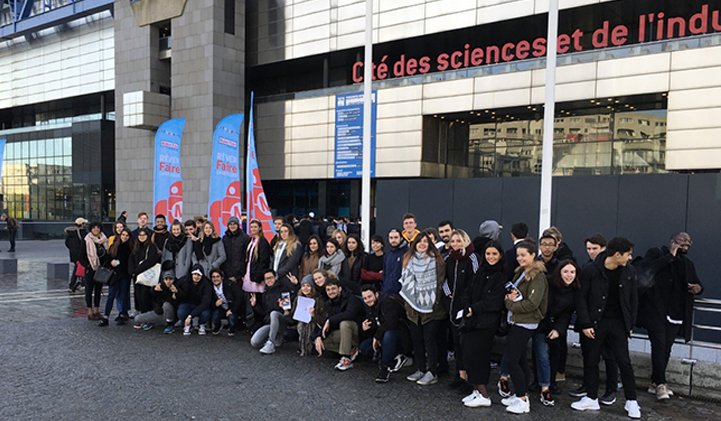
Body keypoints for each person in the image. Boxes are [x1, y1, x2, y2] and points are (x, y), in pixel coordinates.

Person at [572, 237, 641, 419]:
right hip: (595, 322)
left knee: (624, 361)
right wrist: (585, 323)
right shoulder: (591, 270)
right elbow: (581, 298)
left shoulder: (629, 271)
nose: (630, 258)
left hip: (618, 323)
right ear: (617, 255)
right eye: (628, 255)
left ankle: (632, 401)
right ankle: (591, 398)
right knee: (591, 360)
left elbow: (633, 299)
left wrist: (630, 324)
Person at [638, 232, 703, 400]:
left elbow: (698, 283)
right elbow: (646, 270)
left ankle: (655, 382)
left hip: (676, 313)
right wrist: (669, 256)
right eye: (682, 240)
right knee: (659, 346)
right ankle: (661, 384)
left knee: (666, 348)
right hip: (655, 311)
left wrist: (698, 288)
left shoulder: (688, 264)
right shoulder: (656, 253)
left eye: (689, 241)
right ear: (673, 241)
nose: (686, 243)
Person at [500, 242, 548, 415]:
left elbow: (532, 303)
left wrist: (509, 304)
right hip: (517, 320)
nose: (520, 258)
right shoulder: (521, 272)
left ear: (533, 255)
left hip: (525, 322)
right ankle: (522, 392)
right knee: (519, 359)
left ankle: (522, 399)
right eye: (518, 255)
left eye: (524, 255)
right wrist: (510, 301)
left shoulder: (537, 276)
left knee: (511, 359)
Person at [570, 233, 618, 401]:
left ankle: (611, 390)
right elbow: (581, 296)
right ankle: (589, 386)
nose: (591, 252)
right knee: (589, 356)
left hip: (608, 321)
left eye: (594, 249)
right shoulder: (588, 267)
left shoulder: (613, 269)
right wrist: (585, 321)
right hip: (589, 320)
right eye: (588, 249)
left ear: (604, 248)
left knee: (610, 356)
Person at [460, 240, 507, 408]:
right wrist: (466, 305)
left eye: (494, 254)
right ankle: (476, 390)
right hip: (472, 321)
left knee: (480, 357)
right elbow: (468, 291)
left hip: (486, 323)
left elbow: (494, 301)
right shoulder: (480, 271)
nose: (491, 257)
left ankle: (484, 394)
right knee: (469, 355)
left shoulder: (502, 276)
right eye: (488, 254)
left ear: (500, 255)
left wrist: (474, 308)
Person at [401, 232, 447, 386]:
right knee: (417, 340)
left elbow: (440, 284)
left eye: (425, 242)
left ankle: (432, 372)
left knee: (430, 340)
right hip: (413, 308)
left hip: (433, 308)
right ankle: (420, 368)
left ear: (430, 244)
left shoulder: (437, 260)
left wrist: (434, 302)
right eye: (419, 241)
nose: (422, 244)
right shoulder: (409, 259)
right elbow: (405, 282)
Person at [443, 229, 478, 392]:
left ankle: (470, 379)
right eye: (453, 241)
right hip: (453, 307)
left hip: (467, 307)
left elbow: (476, 281)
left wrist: (469, 302)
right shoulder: (449, 258)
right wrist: (448, 293)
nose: (455, 244)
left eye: (458, 241)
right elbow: (443, 279)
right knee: (456, 343)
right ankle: (460, 375)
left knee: (467, 345)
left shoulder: (472, 258)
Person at [359, 285, 409, 383]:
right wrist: (366, 328)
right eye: (365, 298)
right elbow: (376, 325)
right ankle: (393, 358)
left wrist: (377, 336)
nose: (367, 300)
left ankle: (385, 368)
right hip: (383, 337)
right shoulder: (372, 307)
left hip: (401, 336)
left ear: (376, 294)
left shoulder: (388, 302)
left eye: (369, 297)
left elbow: (391, 323)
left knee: (388, 334)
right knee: (364, 347)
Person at [543, 260, 579, 395]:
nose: (569, 275)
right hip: (542, 322)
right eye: (565, 272)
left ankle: (552, 382)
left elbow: (567, 314)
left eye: (572, 272)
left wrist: (558, 329)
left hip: (558, 325)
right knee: (539, 354)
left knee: (555, 354)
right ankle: (539, 381)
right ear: (559, 272)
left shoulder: (575, 290)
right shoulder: (549, 283)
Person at [313, 277, 365, 370]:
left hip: (357, 331)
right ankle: (352, 350)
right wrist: (319, 336)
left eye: (333, 289)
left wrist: (330, 320)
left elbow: (350, 314)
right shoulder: (330, 303)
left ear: (339, 289)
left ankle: (346, 358)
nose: (331, 292)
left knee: (344, 323)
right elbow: (327, 321)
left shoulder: (351, 298)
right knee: (321, 343)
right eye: (328, 290)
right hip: (343, 333)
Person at [250, 269, 294, 353]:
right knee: (254, 342)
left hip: (283, 320)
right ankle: (275, 336)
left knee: (274, 313)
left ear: (276, 277)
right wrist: (254, 305)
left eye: (271, 278)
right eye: (266, 279)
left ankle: (271, 342)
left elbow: (288, 311)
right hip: (270, 323)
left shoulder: (284, 290)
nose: (269, 280)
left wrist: (283, 307)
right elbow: (264, 313)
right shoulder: (265, 293)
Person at [99, 227, 134, 326]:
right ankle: (106, 316)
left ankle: (123, 314)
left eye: (127, 235)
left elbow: (128, 261)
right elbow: (109, 257)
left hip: (125, 275)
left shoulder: (131, 247)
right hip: (114, 275)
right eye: (123, 235)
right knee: (111, 296)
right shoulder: (115, 245)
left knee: (123, 295)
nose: (124, 237)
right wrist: (111, 262)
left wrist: (117, 262)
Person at [133, 268, 180, 333]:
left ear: (174, 280)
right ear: (164, 280)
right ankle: (153, 322)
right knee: (137, 319)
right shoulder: (160, 287)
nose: (168, 281)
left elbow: (178, 302)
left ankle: (170, 325)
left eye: (170, 279)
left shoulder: (177, 287)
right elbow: (154, 300)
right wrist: (154, 290)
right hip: (160, 313)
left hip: (172, 315)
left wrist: (177, 293)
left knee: (166, 305)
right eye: (166, 279)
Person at [128, 227, 160, 322]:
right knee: (138, 296)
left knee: (146, 297)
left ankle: (147, 318)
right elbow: (131, 259)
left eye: (144, 235)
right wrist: (132, 272)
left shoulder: (151, 246)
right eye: (140, 235)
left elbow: (151, 261)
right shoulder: (136, 246)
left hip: (147, 276)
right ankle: (141, 316)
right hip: (137, 277)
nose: (142, 237)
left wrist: (137, 270)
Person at [82, 221, 109, 320]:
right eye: (94, 227)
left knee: (98, 290)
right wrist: (88, 265)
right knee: (89, 290)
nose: (96, 229)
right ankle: (89, 311)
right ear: (91, 229)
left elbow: (107, 254)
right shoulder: (87, 240)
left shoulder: (104, 239)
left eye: (98, 227)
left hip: (100, 269)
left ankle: (97, 310)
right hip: (90, 269)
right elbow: (81, 256)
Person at [177, 264, 213, 335]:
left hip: (201, 305)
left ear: (202, 276)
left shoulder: (207, 284)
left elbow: (205, 303)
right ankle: (188, 325)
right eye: (195, 274)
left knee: (206, 314)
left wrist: (190, 316)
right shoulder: (185, 279)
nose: (196, 277)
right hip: (188, 304)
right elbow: (174, 284)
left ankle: (201, 324)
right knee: (181, 311)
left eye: (198, 275)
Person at [209, 268, 244, 336]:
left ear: (222, 277)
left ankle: (232, 327)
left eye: (217, 276)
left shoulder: (229, 284)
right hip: (220, 308)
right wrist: (215, 304)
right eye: (213, 277)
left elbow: (239, 296)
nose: (215, 279)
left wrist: (232, 310)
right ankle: (218, 326)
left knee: (231, 317)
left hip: (232, 307)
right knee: (215, 316)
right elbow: (208, 302)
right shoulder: (210, 288)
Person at [292, 275, 319, 356]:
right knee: (301, 326)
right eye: (303, 286)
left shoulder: (318, 299)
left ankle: (309, 347)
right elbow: (292, 316)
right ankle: (302, 347)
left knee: (309, 325)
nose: (305, 288)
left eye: (308, 286)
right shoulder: (298, 298)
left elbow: (321, 318)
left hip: (314, 322)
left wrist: (314, 314)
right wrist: (285, 310)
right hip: (300, 322)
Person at [242, 219, 272, 294]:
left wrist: (258, 277)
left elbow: (264, 260)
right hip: (249, 273)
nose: (253, 229)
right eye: (251, 227)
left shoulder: (262, 241)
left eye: (255, 227)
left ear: (260, 228)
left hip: (257, 276)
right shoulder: (250, 240)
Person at [272, 222, 303, 287]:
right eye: (281, 232)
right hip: (276, 278)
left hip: (288, 277)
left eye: (286, 231)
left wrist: (278, 274)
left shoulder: (295, 245)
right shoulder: (278, 244)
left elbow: (291, 263)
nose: (283, 234)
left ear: (290, 232)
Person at [221, 216, 249, 283]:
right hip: (226, 272)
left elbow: (247, 256)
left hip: (240, 274)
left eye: (234, 224)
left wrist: (242, 271)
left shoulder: (245, 238)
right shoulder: (225, 238)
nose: (232, 226)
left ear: (238, 225)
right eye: (230, 224)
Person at [65, 217, 88, 292]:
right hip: (81, 253)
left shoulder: (70, 232)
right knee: (80, 268)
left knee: (77, 268)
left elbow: (67, 243)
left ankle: (75, 283)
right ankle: (77, 283)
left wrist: (72, 249)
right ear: (82, 224)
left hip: (73, 254)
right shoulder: (82, 232)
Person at [382, 229, 408, 296]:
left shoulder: (407, 253)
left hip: (401, 294)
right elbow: (385, 275)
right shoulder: (388, 255)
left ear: (401, 238)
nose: (393, 240)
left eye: (396, 237)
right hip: (387, 293)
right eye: (391, 238)